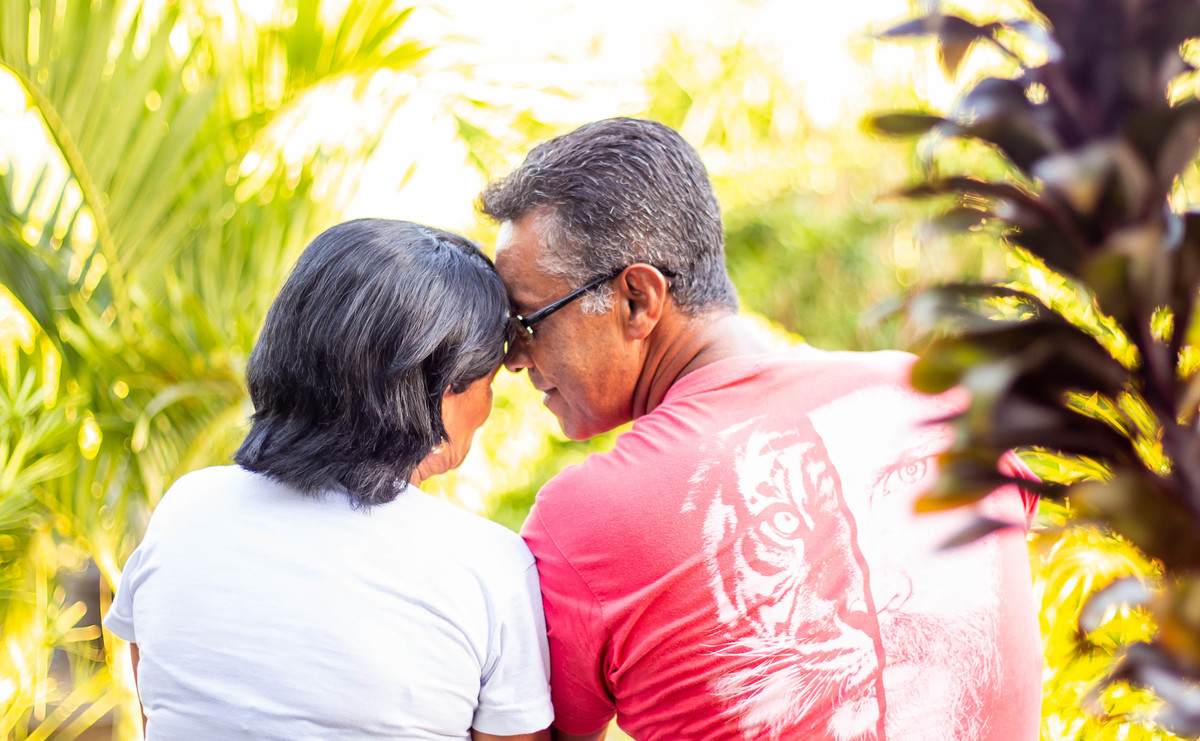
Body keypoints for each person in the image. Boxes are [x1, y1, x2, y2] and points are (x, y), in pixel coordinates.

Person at [478, 117, 1042, 740]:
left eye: (527, 321)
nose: (513, 359)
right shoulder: (940, 399)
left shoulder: (587, 517)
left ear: (637, 300)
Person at [103, 219, 553, 740]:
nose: (489, 405)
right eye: (489, 379)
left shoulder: (185, 510)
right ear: (443, 390)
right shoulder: (488, 569)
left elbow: (160, 713)